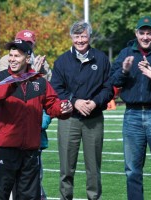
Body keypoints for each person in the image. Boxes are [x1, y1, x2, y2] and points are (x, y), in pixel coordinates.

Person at [0, 39, 73, 200]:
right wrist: (16, 81)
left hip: (31, 150)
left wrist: (63, 109)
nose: (12, 59)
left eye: (17, 56)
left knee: (29, 197)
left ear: (28, 58)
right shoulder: (0, 79)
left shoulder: (40, 82)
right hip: (5, 148)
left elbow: (53, 105)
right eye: (10, 55)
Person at [50, 20, 114, 200]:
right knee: (66, 167)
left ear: (89, 37)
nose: (80, 40)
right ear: (71, 37)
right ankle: (65, 197)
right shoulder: (62, 61)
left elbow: (109, 88)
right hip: (69, 119)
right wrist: (75, 101)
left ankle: (94, 197)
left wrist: (94, 103)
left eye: (83, 36)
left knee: (93, 168)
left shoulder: (101, 59)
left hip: (94, 119)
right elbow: (56, 88)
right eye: (76, 36)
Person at [0, 29, 52, 200]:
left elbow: (47, 95)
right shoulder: (6, 61)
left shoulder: (43, 62)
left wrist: (44, 120)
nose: (24, 45)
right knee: (6, 181)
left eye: (29, 43)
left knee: (33, 174)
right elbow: (2, 89)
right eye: (21, 41)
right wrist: (31, 72)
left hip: (34, 126)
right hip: (11, 128)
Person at [110, 16, 151, 200]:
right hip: (132, 115)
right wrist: (124, 70)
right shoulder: (125, 53)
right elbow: (113, 82)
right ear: (136, 33)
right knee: (132, 170)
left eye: (149, 33)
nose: (146, 37)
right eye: (142, 33)